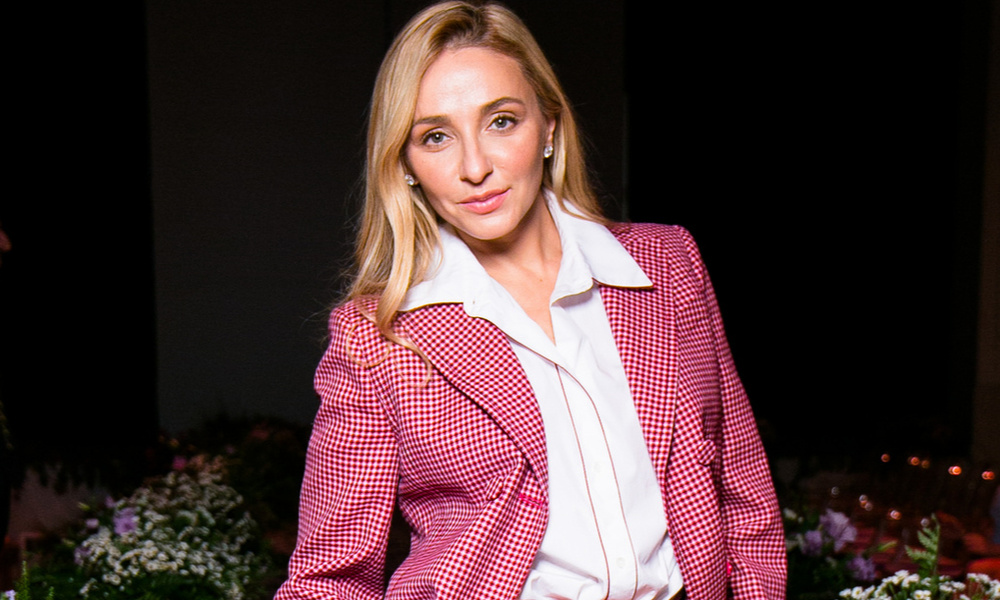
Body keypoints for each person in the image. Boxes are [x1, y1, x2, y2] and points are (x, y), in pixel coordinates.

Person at [275, 2, 785, 599]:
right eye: (435, 137)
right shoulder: (377, 336)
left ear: (549, 127)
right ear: (405, 163)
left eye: (501, 121)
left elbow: (745, 497)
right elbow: (329, 578)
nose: (474, 167)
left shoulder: (667, 265)